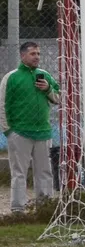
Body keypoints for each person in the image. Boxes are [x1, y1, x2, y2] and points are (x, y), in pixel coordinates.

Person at [0, 42, 60, 213]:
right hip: (20, 133)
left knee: (45, 172)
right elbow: (3, 105)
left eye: (38, 54)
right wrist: (9, 131)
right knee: (19, 173)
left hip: (43, 132)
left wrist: (47, 89)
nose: (37, 57)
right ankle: (18, 209)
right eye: (33, 54)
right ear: (23, 56)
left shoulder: (45, 75)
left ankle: (45, 207)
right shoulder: (11, 77)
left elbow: (59, 98)